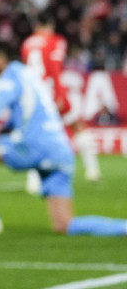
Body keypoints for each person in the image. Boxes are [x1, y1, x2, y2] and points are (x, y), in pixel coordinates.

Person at [0, 39, 127, 237]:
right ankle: (124, 227)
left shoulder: (12, 75)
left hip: (37, 145)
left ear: (0, 58)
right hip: (61, 150)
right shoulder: (30, 75)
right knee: (64, 224)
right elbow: (26, 114)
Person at [21, 12, 101, 196]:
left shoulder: (27, 43)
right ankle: (92, 170)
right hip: (51, 91)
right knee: (78, 126)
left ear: (36, 27)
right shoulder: (56, 40)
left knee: (36, 135)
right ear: (50, 25)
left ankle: (32, 182)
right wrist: (59, 93)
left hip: (33, 95)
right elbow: (55, 68)